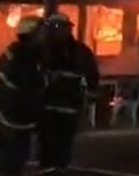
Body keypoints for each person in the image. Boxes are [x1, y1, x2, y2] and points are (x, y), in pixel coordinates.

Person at [0, 15, 45, 176]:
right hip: (14, 112)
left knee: (6, 150)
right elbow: (28, 85)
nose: (44, 35)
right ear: (31, 34)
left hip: (3, 107)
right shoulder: (25, 56)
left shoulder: (16, 50)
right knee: (15, 153)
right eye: (41, 32)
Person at [39, 12, 100, 173]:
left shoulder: (80, 51)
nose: (56, 32)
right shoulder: (41, 49)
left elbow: (92, 74)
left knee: (63, 141)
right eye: (53, 28)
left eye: (59, 27)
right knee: (47, 141)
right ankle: (49, 169)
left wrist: (92, 96)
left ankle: (58, 168)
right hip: (47, 105)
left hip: (66, 103)